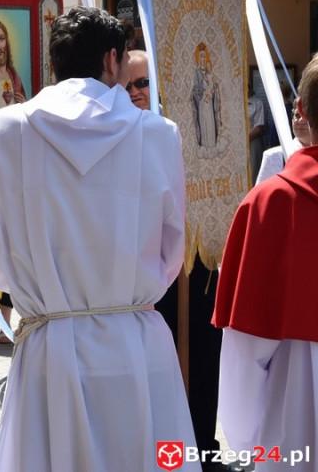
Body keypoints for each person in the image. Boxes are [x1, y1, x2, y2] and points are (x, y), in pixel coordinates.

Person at [0, 6, 196, 471]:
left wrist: (37, 295)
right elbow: (172, 247)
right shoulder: (158, 135)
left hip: (50, 350)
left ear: (55, 64)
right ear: (112, 59)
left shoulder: (5, 130)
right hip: (135, 345)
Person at [213, 53, 318, 462]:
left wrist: (243, 440)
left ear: (303, 112)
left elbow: (244, 347)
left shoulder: (270, 204)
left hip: (295, 419)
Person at [129, 49, 226, 464]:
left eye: (142, 83)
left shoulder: (177, 128)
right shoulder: (123, 136)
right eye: (127, 84)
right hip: (154, 270)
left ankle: (203, 446)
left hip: (199, 259)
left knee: (204, 361)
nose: (134, 92)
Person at [256, 96, 311, 183]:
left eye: (306, 116)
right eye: (297, 115)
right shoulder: (273, 157)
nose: (300, 120)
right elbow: (261, 195)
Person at [191, 43, 221, 148]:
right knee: (203, 122)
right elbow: (194, 88)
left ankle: (212, 144)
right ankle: (205, 145)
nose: (203, 59)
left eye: (204, 56)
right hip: (201, 103)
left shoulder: (209, 73)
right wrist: (200, 94)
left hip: (209, 103)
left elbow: (214, 85)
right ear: (198, 59)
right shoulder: (197, 73)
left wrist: (212, 90)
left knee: (210, 122)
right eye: (201, 57)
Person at [246, 78, 266, 182]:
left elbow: (259, 127)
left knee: (254, 173)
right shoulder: (237, 102)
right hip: (239, 143)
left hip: (253, 141)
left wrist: (244, 140)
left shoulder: (257, 103)